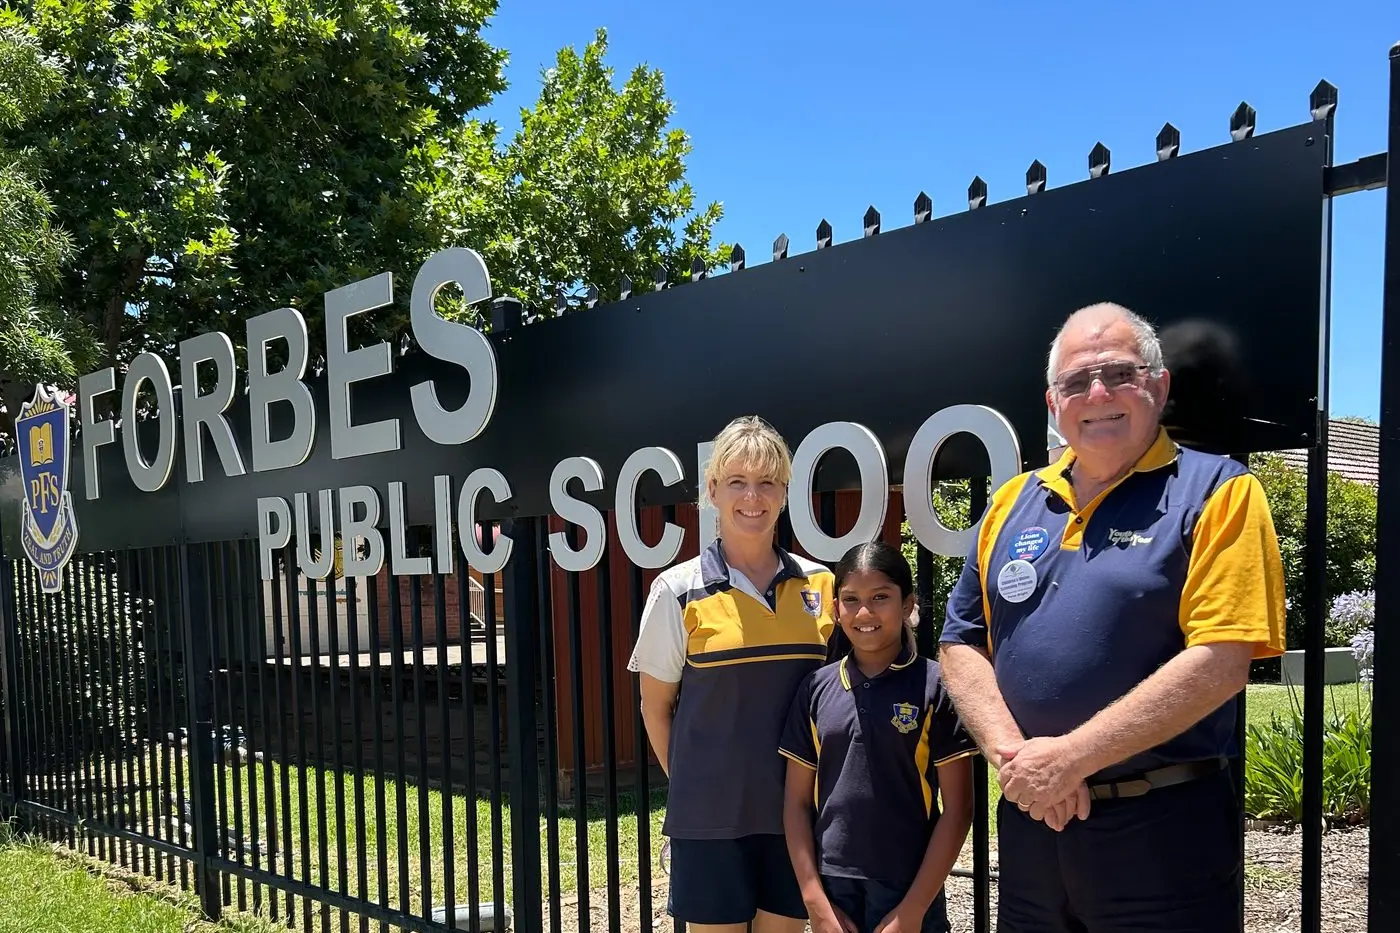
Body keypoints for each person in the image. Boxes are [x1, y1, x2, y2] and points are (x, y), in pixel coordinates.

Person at [938, 302, 1287, 932]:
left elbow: (1223, 661)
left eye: (1119, 373)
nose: (1097, 393)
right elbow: (961, 643)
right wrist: (1020, 761)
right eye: (1076, 381)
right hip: (1031, 831)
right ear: (1053, 403)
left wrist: (1071, 758)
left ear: (1159, 385)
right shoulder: (1013, 501)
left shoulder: (1218, 491)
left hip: (1162, 835)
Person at [627, 415, 836, 933]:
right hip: (709, 821)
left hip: (794, 814)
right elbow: (655, 707)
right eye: (738, 482)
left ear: (784, 493)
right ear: (713, 490)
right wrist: (696, 785)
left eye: (767, 482)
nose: (753, 497)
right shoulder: (676, 591)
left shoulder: (821, 584)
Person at [780, 541, 976, 933]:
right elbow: (796, 803)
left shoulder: (936, 686)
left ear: (907, 605)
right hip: (834, 888)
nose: (864, 612)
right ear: (836, 609)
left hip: (910, 885)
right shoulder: (816, 689)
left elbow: (959, 811)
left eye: (880, 597)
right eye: (850, 599)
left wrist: (913, 911)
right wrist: (815, 902)